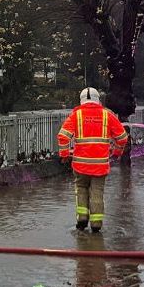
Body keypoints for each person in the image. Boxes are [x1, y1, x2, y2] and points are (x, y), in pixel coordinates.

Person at [57, 87, 130, 232]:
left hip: (80, 165)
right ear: (98, 100)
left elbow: (63, 136)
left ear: (81, 100)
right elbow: (122, 137)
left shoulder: (76, 115)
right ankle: (96, 226)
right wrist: (117, 152)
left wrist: (64, 155)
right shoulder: (107, 115)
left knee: (81, 189)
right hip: (100, 165)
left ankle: (82, 220)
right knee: (97, 193)